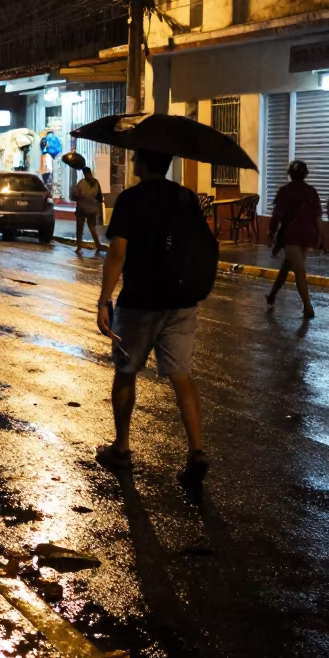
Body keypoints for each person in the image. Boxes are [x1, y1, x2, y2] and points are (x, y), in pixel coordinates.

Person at [96, 149, 209, 486]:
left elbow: (117, 253)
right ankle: (196, 450)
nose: (132, 163)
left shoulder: (130, 199)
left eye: (135, 159)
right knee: (181, 376)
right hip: (181, 301)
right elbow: (199, 245)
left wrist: (104, 300)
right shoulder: (186, 198)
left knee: (126, 372)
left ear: (144, 164)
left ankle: (121, 448)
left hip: (140, 303)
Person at [267, 160, 325, 318]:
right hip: (306, 236)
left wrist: (271, 234)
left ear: (290, 174)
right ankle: (302, 305)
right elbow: (318, 216)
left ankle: (303, 306)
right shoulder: (312, 192)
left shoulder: (284, 191)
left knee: (294, 267)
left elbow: (277, 216)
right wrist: (323, 236)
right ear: (305, 174)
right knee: (294, 267)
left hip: (290, 236)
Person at [72, 166, 105, 256]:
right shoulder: (96, 182)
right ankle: (97, 245)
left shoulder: (81, 183)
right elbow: (99, 197)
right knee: (92, 228)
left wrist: (79, 197)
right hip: (91, 209)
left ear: (85, 173)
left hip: (82, 209)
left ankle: (79, 246)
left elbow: (74, 196)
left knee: (80, 228)